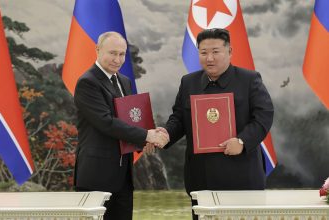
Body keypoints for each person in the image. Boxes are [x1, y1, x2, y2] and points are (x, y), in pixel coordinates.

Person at [158, 28, 274, 219]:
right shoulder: (188, 82)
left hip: (242, 175)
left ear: (229, 52)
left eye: (215, 51)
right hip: (201, 177)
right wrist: (166, 135)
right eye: (203, 53)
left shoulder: (249, 79)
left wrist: (242, 141)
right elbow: (179, 118)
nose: (209, 58)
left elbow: (264, 116)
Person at [73, 31, 168, 220]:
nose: (118, 59)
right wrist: (146, 135)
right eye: (112, 53)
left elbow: (131, 120)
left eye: (122, 54)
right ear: (98, 50)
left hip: (123, 174)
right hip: (96, 174)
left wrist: (146, 138)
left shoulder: (124, 81)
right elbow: (106, 122)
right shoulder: (87, 82)